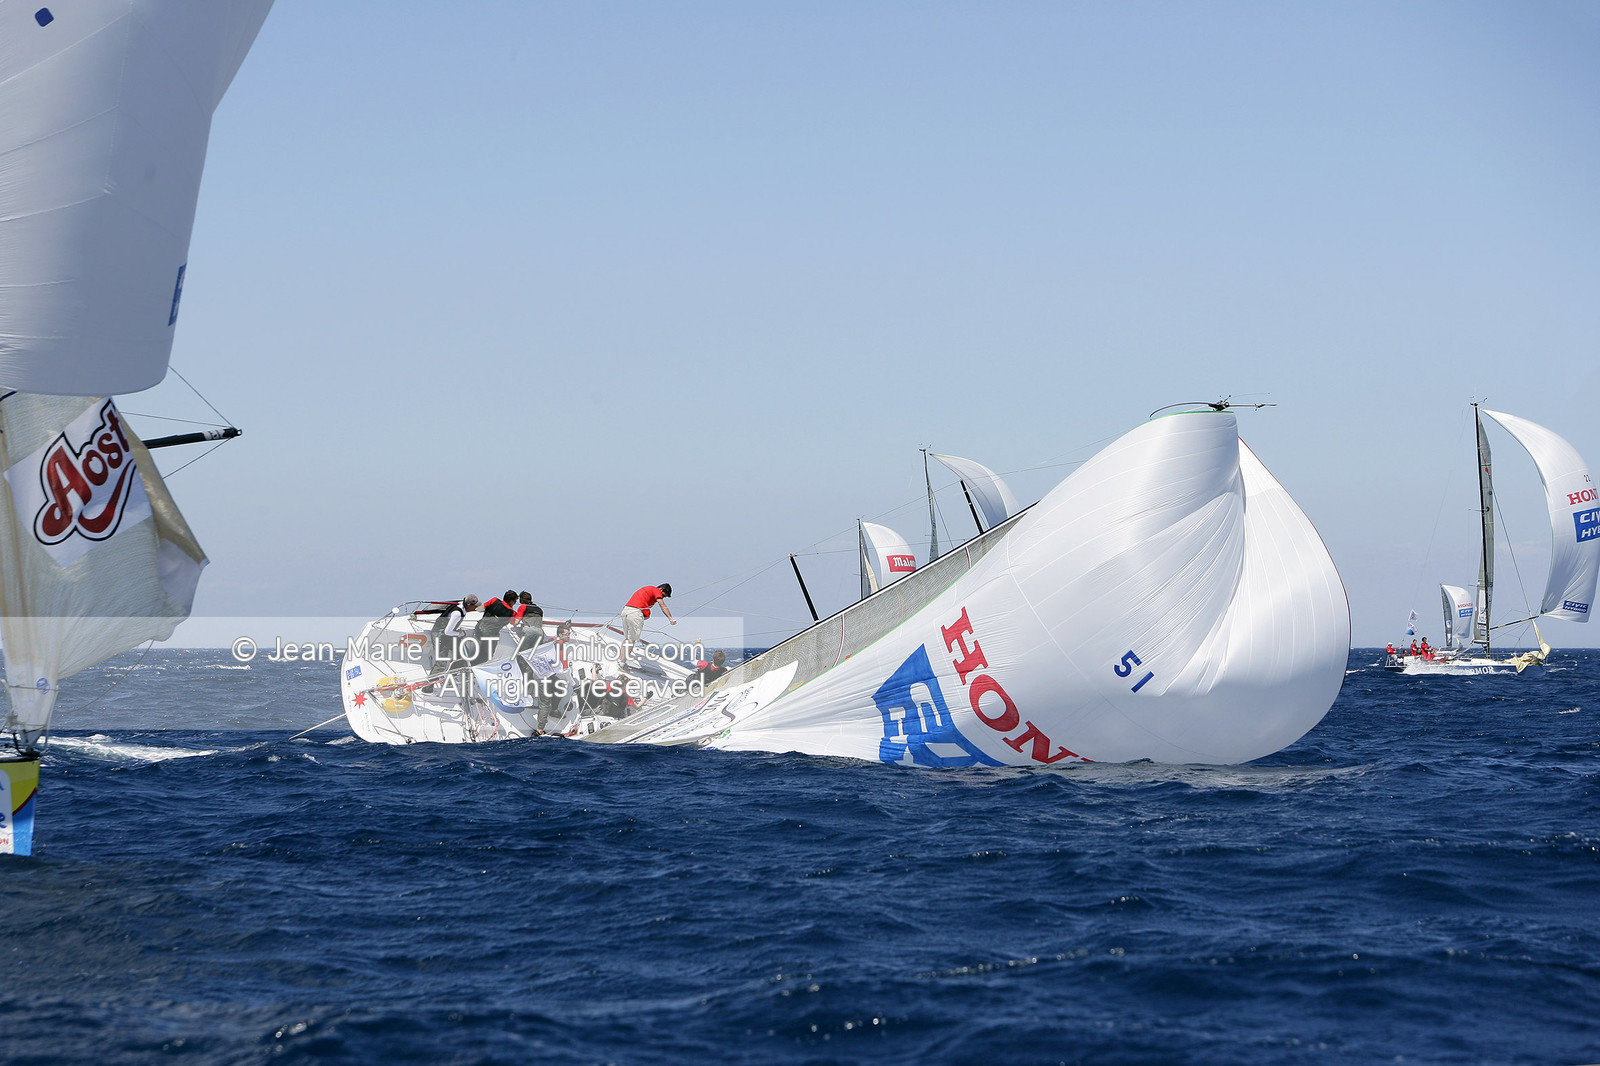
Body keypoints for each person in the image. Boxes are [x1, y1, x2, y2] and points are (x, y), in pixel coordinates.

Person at [620, 582, 675, 660]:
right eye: (663, 595)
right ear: (661, 589)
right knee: (632, 639)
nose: (662, 597)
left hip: (625, 610)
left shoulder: (648, 590)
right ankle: (622, 662)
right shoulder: (656, 590)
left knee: (628, 639)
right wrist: (670, 618)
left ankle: (620, 659)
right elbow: (662, 605)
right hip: (635, 613)